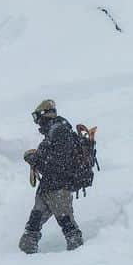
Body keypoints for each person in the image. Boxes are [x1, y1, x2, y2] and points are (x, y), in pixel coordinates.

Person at [19, 100, 85, 254]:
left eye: (37, 118)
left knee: (67, 224)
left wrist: (33, 159)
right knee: (33, 224)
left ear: (44, 114)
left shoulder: (59, 131)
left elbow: (56, 164)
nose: (37, 123)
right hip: (48, 187)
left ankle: (80, 256)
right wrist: (36, 158)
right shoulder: (54, 132)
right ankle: (23, 255)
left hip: (58, 187)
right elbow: (50, 160)